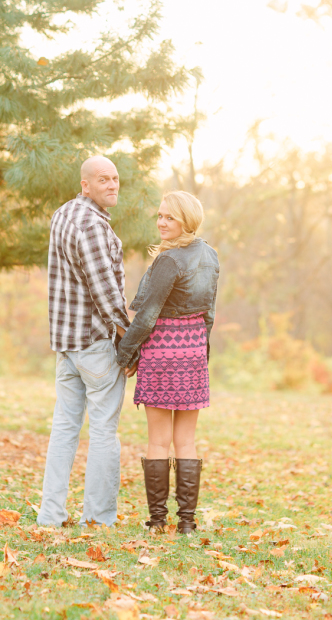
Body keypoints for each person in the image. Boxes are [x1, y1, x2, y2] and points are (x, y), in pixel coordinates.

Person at [115, 191, 219, 535]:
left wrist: (124, 354)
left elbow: (146, 318)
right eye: (159, 216)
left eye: (170, 217)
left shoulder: (168, 261)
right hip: (193, 352)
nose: (161, 222)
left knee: (159, 441)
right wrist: (201, 353)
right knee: (186, 441)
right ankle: (187, 524)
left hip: (162, 349)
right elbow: (209, 315)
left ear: (186, 221)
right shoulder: (211, 256)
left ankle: (158, 522)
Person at [36, 156, 130, 528]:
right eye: (103, 179)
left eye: (116, 178)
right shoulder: (91, 225)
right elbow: (106, 294)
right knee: (104, 430)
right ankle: (99, 518)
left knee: (64, 427)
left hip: (66, 344)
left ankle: (50, 514)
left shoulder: (63, 213)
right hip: (93, 344)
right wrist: (130, 339)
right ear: (86, 184)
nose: (112, 185)